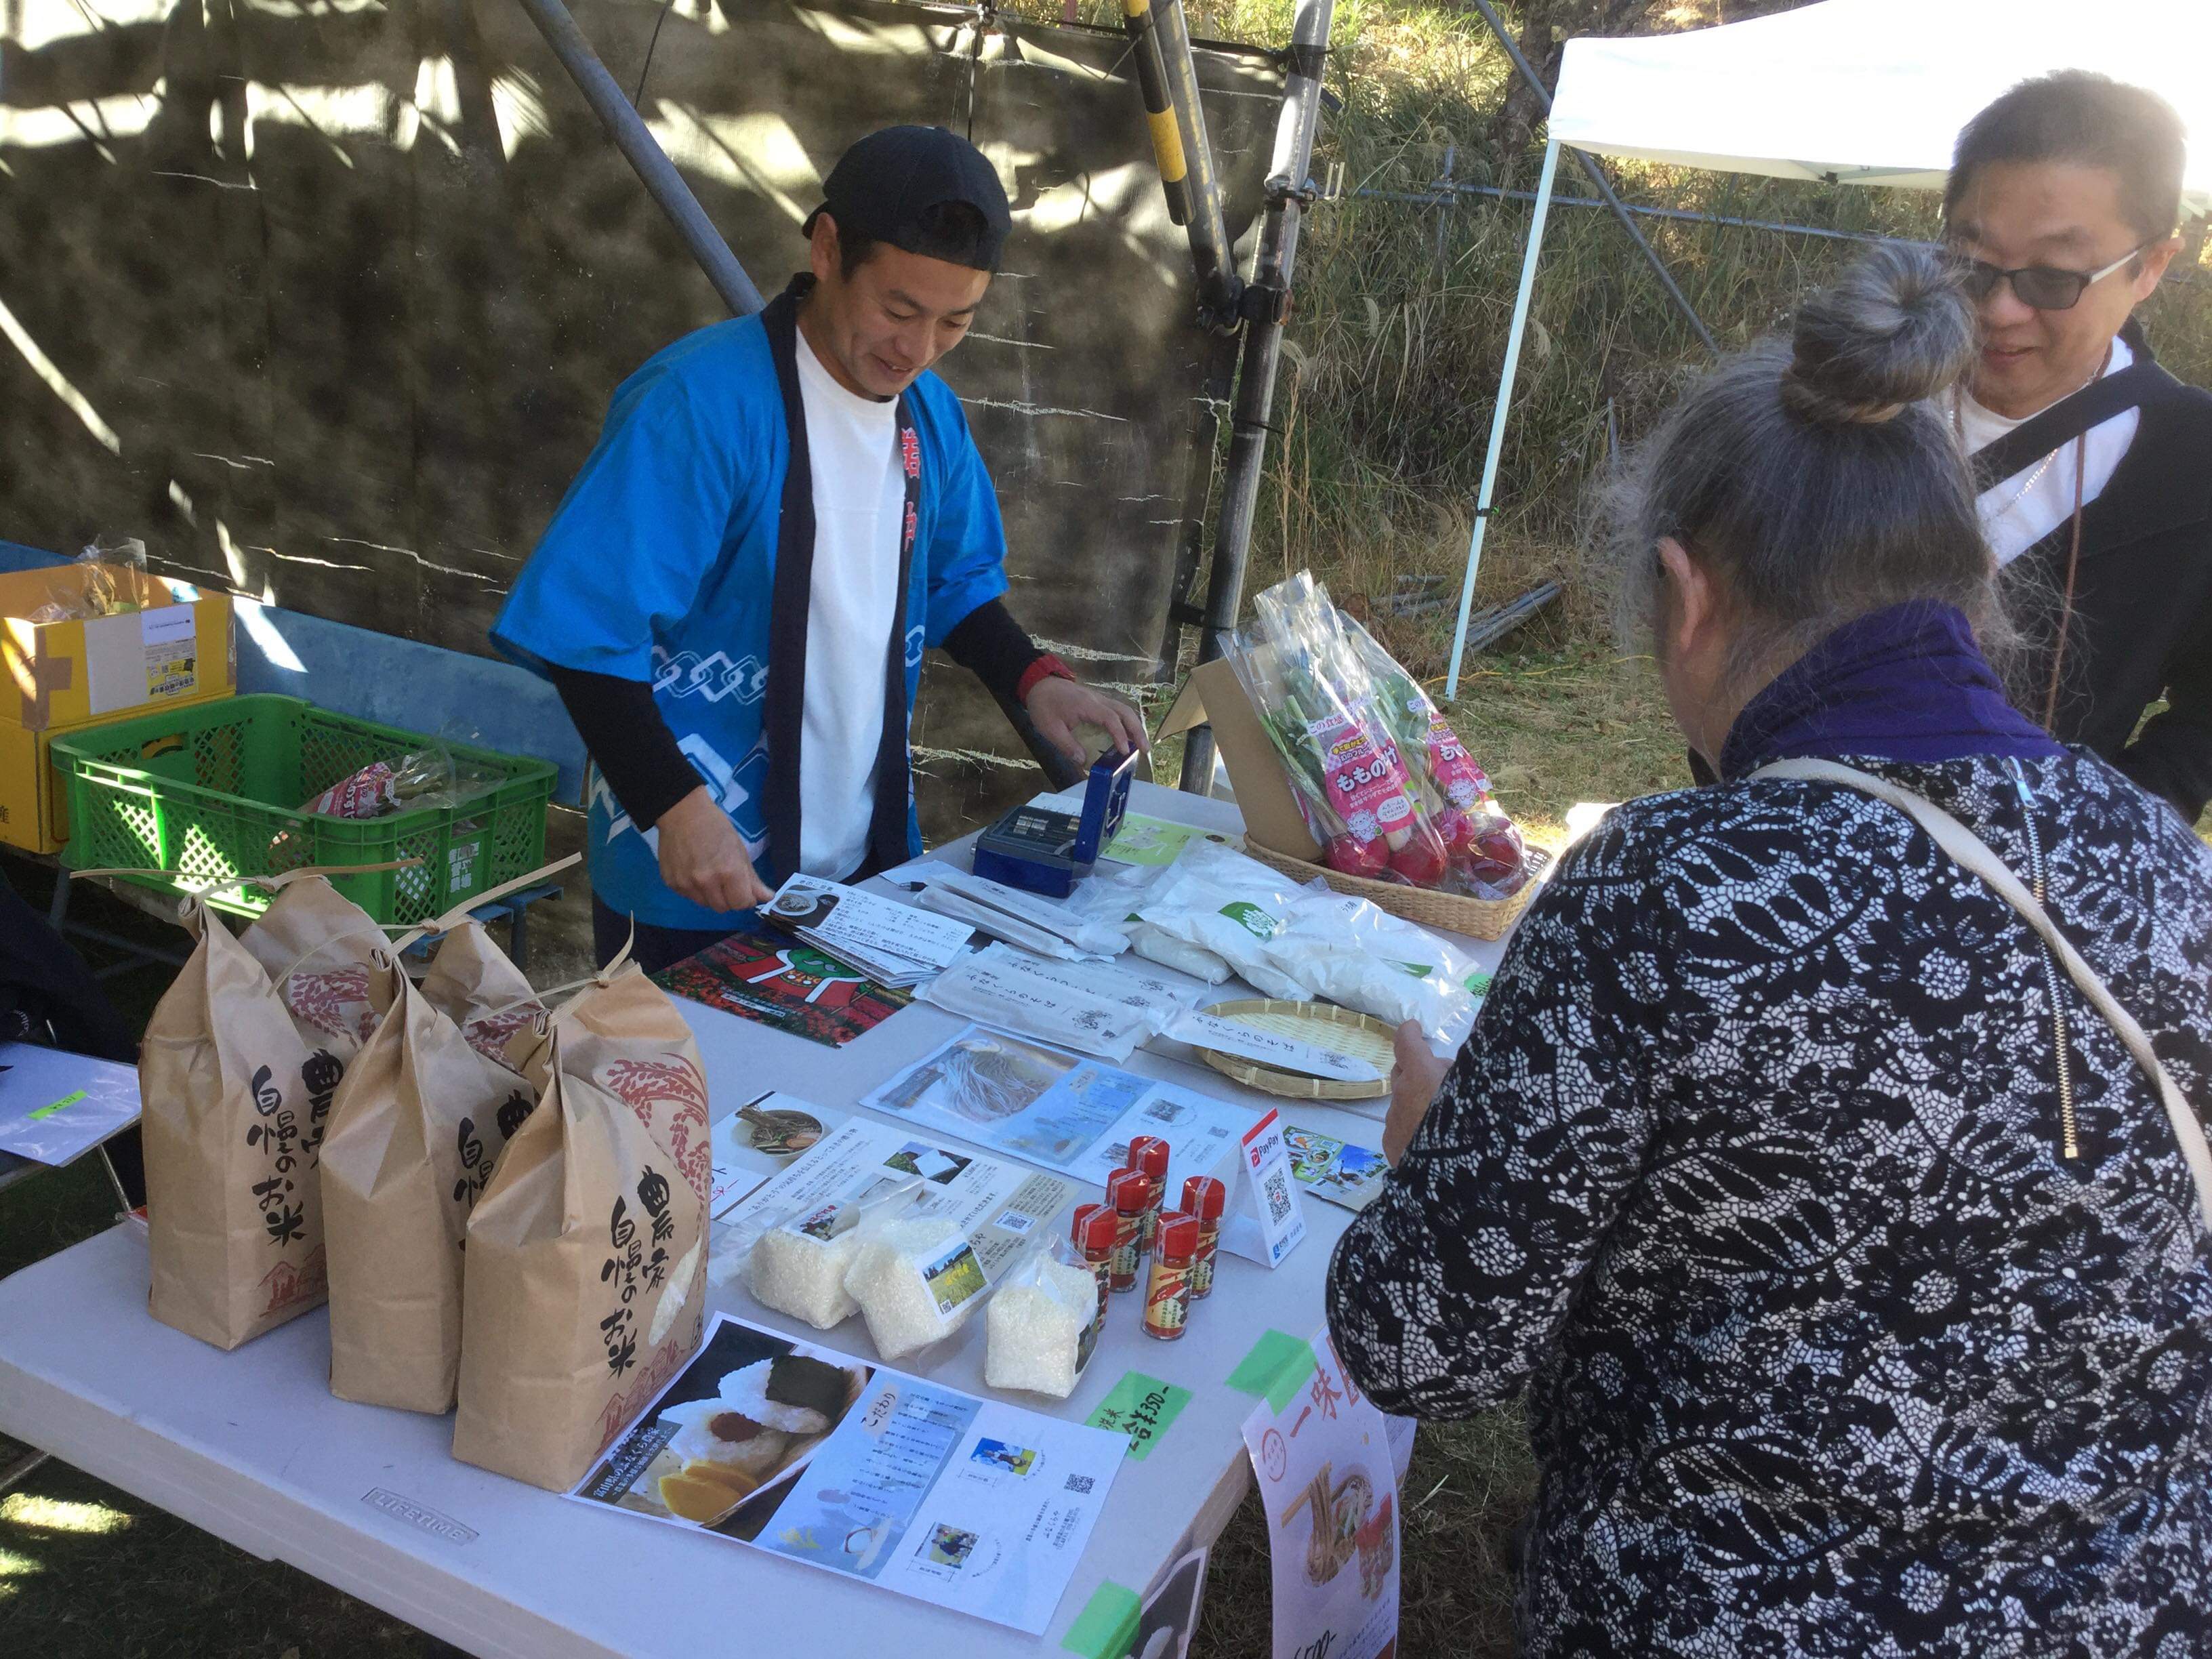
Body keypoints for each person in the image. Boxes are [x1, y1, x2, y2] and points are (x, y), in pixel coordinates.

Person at [1327, 246, 2212, 1654]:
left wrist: (1432, 1167)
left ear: (1686, 591)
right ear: (1969, 581)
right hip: (2124, 1611)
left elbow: (1425, 1345)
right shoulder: (2161, 862)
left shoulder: (1672, 890)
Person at [493, 126, 1145, 972]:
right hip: (695, 867)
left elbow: (952, 582)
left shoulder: (929, 418)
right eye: (899, 310)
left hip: (865, 868)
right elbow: (587, 635)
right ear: (829, 248)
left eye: (955, 322)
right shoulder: (698, 404)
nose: (916, 349)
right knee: (690, 1099)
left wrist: (1034, 679)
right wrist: (674, 807)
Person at [1943, 71, 2212, 826]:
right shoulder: (1855, 401)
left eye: (2054, 278)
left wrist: (2102, 824)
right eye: (1971, 264)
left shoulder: (2193, 465)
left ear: (2152, 265)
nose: (1999, 310)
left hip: (2025, 908)